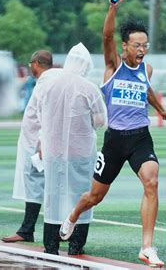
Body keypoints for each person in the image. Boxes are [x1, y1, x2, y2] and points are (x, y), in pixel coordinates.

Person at [59, 0, 166, 267]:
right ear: (125, 46)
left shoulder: (147, 70)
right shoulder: (113, 65)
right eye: (137, 45)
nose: (142, 50)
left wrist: (160, 110)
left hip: (139, 137)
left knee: (152, 181)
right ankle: (73, 215)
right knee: (95, 197)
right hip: (114, 140)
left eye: (145, 45)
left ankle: (147, 247)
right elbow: (106, 37)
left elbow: (146, 90)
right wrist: (112, 8)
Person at [31, 43, 107, 255]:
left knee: (53, 195)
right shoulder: (89, 88)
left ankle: (51, 244)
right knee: (82, 195)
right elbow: (101, 121)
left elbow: (38, 113)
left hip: (53, 150)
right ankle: (76, 245)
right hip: (81, 152)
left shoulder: (47, 84)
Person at [2, 50, 53, 243]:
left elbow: (45, 114)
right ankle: (27, 229)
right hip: (34, 143)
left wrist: (42, 140)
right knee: (35, 186)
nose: (30, 66)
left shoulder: (46, 83)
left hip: (38, 145)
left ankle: (28, 229)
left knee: (37, 186)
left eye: (31, 63)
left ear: (38, 63)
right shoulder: (42, 82)